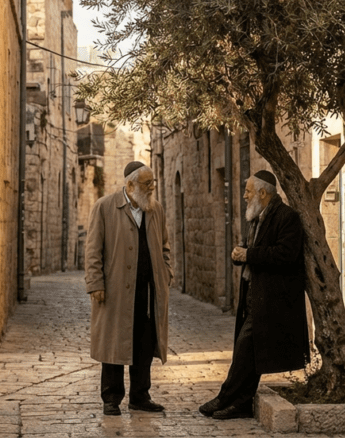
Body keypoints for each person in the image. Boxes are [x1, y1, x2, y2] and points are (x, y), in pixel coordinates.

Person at [199, 170, 310, 420]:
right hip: (254, 295)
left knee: (244, 350)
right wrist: (241, 253)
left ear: (262, 192)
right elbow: (256, 249)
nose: (244, 195)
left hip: (273, 299)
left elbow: (285, 254)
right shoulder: (257, 217)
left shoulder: (287, 217)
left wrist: (248, 254)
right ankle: (241, 403)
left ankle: (225, 397)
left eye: (248, 191)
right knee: (250, 354)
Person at [85, 161, 174, 416]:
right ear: (130, 184)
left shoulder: (155, 209)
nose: (152, 187)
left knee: (144, 342)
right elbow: (93, 250)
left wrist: (166, 272)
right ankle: (111, 398)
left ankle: (140, 396)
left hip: (148, 291)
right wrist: (95, 283)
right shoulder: (104, 207)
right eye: (147, 183)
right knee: (113, 343)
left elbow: (165, 245)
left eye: (153, 182)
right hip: (115, 291)